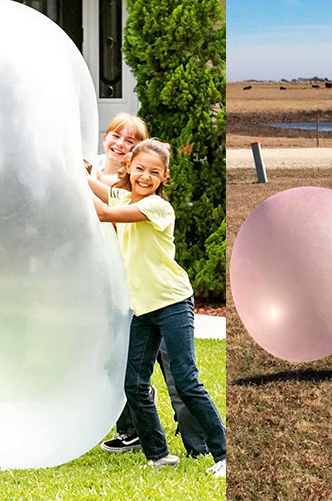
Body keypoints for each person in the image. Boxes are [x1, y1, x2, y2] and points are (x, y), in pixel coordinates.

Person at [88, 139, 226, 477]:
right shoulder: (122, 195)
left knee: (187, 381)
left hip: (172, 302)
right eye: (139, 169)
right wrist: (71, 169)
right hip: (143, 308)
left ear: (164, 176)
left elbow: (104, 213)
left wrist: (77, 182)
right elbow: (92, 185)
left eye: (153, 172)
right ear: (129, 169)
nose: (145, 177)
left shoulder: (158, 208)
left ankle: (224, 454)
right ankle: (158, 454)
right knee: (133, 384)